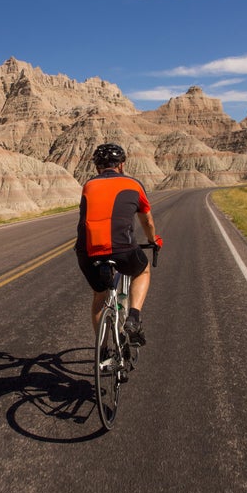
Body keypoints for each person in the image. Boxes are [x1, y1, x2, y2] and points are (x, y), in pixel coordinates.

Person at [75, 143, 162, 346]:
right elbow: (147, 221)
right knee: (143, 271)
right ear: (121, 165)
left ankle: (103, 349)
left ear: (97, 168)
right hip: (123, 249)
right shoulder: (134, 184)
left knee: (99, 295)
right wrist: (153, 240)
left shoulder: (88, 186)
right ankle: (133, 317)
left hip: (87, 252)